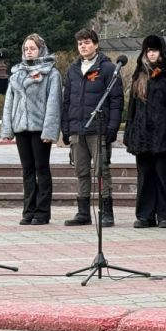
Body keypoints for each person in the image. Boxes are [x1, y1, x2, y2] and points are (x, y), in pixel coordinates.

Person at [61, 28, 125, 227]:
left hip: (98, 130)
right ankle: (83, 212)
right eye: (80, 43)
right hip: (77, 129)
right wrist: (66, 128)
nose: (83, 46)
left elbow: (116, 101)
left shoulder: (107, 69)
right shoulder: (72, 70)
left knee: (101, 170)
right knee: (81, 171)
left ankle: (107, 212)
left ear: (96, 45)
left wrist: (112, 128)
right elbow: (66, 101)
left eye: (87, 42)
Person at [0, 34, 62, 225]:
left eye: (32, 48)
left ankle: (42, 212)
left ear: (41, 49)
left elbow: (54, 104)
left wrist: (49, 131)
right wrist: (7, 129)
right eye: (26, 48)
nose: (28, 51)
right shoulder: (16, 73)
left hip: (39, 128)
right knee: (27, 169)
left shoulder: (51, 73)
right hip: (21, 127)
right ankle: (28, 210)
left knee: (41, 169)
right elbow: (9, 103)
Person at [124, 35, 166, 228]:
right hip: (142, 134)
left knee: (162, 175)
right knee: (145, 175)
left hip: (162, 133)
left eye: (155, 50)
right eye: (148, 50)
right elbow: (132, 106)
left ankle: (164, 215)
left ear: (161, 51)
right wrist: (129, 132)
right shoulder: (139, 74)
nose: (151, 54)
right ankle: (145, 215)